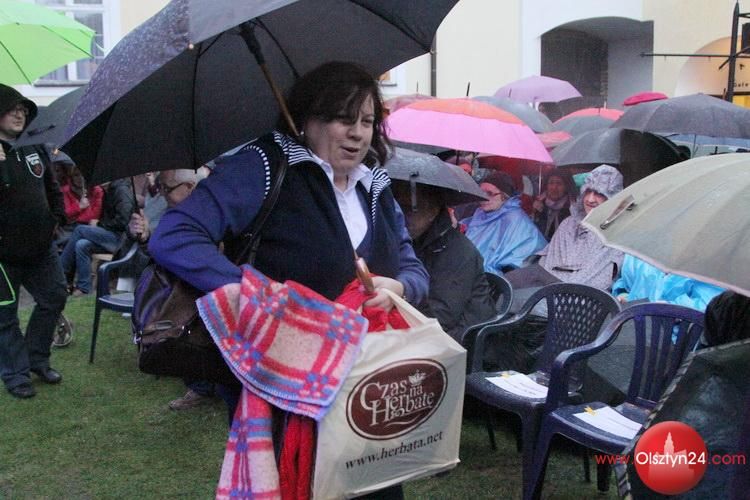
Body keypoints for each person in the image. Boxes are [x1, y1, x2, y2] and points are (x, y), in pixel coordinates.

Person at [0, 83, 68, 399]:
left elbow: (51, 186)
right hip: (4, 255)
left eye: (23, 110)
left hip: (41, 247)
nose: (19, 114)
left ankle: (36, 359)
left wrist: (56, 219)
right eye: (12, 109)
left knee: (54, 296)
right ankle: (16, 375)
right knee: (5, 318)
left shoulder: (33, 145)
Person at [127, 168, 215, 410]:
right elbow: (160, 253)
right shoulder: (173, 212)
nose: (163, 194)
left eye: (168, 189)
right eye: (161, 188)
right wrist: (145, 237)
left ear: (189, 187)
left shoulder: (206, 212)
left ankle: (201, 386)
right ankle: (199, 383)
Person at [390, 180, 495, 340]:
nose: (403, 217)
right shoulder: (416, 239)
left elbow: (442, 316)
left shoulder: (458, 251)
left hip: (464, 338)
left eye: (410, 210)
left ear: (433, 212)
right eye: (399, 208)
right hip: (431, 326)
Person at [461, 171, 547, 276]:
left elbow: (514, 261)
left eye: (490, 193)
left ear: (504, 196)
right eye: (481, 192)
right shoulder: (481, 214)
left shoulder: (514, 219)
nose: (483, 198)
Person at [60, 177, 134, 296]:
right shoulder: (107, 191)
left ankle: (60, 271)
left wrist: (99, 224)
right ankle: (84, 288)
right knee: (81, 244)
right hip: (109, 235)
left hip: (121, 240)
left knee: (80, 230)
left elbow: (123, 221)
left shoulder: (121, 191)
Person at [612, 254, 724, 310]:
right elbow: (624, 280)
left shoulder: (708, 264)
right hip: (630, 321)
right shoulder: (643, 248)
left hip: (673, 336)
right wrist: (622, 293)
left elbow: (708, 303)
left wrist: (670, 307)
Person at [58, 163, 104, 247]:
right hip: (69, 227)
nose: (80, 178)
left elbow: (94, 216)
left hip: (88, 226)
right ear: (72, 177)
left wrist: (76, 216)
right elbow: (65, 214)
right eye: (76, 175)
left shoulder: (96, 190)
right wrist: (79, 207)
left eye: (82, 175)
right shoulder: (65, 190)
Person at [532, 170, 575, 240]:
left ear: (566, 187)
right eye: (551, 183)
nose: (554, 187)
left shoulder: (572, 210)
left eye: (559, 183)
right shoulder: (538, 205)